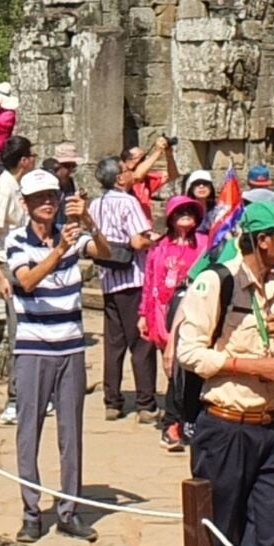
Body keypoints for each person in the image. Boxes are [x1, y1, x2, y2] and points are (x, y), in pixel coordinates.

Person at [173, 197, 274, 546]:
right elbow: (190, 352)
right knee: (217, 532)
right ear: (263, 240)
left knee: (271, 531)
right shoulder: (217, 282)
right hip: (227, 426)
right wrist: (250, 366)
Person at [4, 169, 96, 542]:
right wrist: (58, 251)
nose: (47, 202)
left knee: (71, 434)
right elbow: (25, 280)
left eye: (52, 196)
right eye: (39, 197)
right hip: (33, 349)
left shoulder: (72, 235)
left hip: (71, 346)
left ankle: (69, 510)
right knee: (29, 432)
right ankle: (31, 512)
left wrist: (89, 221)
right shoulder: (16, 241)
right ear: (25, 204)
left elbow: (108, 254)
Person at [142, 186, 212, 451]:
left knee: (194, 369)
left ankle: (186, 422)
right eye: (180, 212)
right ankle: (174, 423)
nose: (185, 216)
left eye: (189, 211)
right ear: (170, 217)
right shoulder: (160, 247)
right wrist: (143, 315)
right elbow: (150, 282)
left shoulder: (205, 243)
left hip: (198, 310)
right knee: (174, 370)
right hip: (166, 311)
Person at [92, 156, 159, 421]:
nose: (132, 173)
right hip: (133, 277)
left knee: (114, 342)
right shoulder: (128, 201)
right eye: (127, 170)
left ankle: (113, 400)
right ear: (119, 178)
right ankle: (145, 402)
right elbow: (137, 240)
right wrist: (157, 242)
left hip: (109, 278)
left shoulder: (96, 204)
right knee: (141, 343)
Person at [0, 137, 35, 427]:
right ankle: (13, 400)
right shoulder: (3, 188)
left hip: (27, 263)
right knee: (18, 333)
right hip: (10, 266)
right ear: (23, 160)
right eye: (31, 155)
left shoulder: (19, 186)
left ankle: (32, 393)